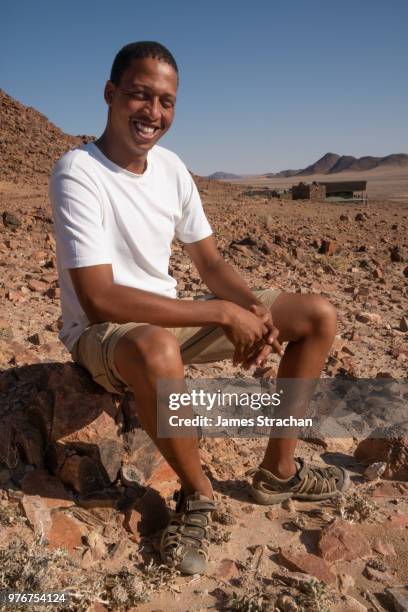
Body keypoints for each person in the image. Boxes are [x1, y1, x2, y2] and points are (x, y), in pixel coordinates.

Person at [49, 41, 349, 576]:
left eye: (166, 101)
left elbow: (210, 264)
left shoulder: (170, 167)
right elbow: (99, 299)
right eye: (141, 96)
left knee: (318, 315)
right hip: (106, 335)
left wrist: (255, 312)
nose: (154, 113)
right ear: (110, 94)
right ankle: (198, 494)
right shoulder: (78, 172)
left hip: (167, 320)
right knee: (159, 345)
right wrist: (219, 315)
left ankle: (278, 473)